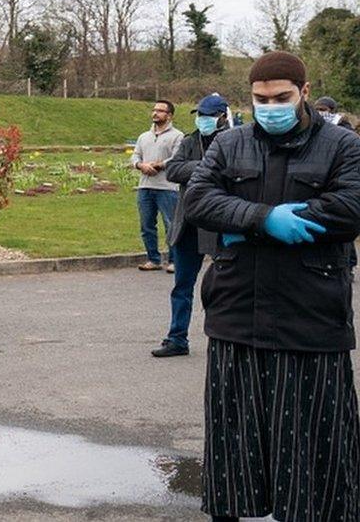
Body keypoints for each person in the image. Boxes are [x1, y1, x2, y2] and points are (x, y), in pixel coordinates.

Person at [185, 51, 360, 521]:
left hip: (311, 320)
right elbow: (199, 199)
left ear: (303, 92)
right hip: (237, 315)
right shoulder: (229, 143)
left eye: (281, 97)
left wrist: (242, 221)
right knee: (233, 447)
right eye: (261, 99)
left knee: (312, 455)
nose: (270, 107)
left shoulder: (344, 146)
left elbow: (349, 208)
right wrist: (264, 218)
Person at [151, 94, 231, 358]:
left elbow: (232, 173)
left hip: (219, 225)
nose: (203, 120)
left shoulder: (235, 141)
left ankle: (226, 339)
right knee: (182, 286)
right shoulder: (189, 140)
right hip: (188, 225)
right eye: (200, 115)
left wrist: (196, 169)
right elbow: (173, 171)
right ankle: (177, 339)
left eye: (208, 116)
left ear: (221, 117)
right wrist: (208, 167)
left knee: (224, 288)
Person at [130, 100, 184, 272]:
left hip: (167, 187)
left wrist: (159, 165)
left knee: (171, 225)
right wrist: (140, 165)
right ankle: (153, 259)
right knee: (146, 225)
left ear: (169, 115)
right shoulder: (143, 136)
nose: (155, 113)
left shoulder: (178, 136)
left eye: (160, 111)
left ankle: (174, 260)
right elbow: (135, 156)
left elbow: (177, 158)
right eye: (154, 110)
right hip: (145, 186)